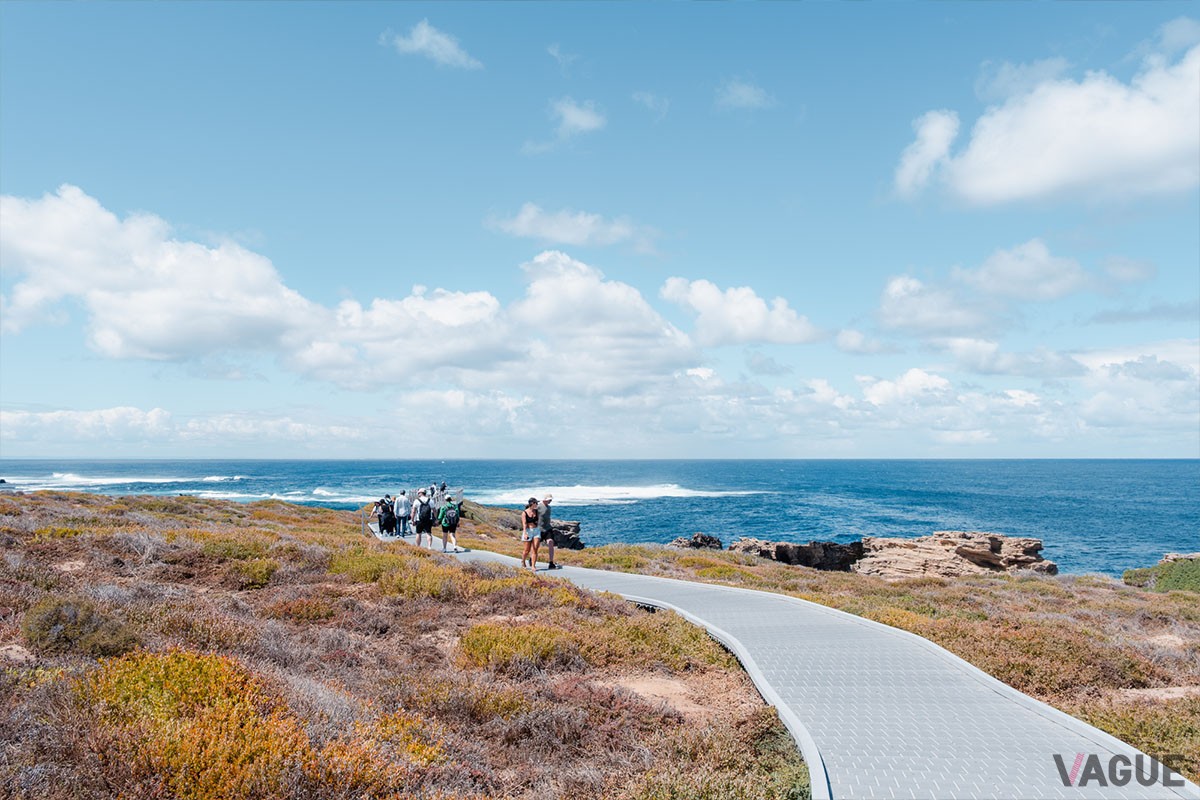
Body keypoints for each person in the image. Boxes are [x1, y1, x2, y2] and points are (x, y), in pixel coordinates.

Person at [539, 494, 560, 569]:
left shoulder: (549, 507)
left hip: (547, 528)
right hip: (539, 529)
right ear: (545, 499)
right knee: (536, 545)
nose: (550, 501)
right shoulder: (538, 506)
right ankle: (532, 558)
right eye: (549, 499)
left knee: (550, 542)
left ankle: (551, 562)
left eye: (550, 500)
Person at [520, 497, 540, 570]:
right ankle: (523, 561)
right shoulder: (524, 513)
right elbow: (524, 524)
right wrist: (525, 533)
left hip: (536, 531)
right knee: (526, 550)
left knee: (535, 549)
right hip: (528, 531)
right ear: (532, 504)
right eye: (536, 503)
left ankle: (533, 566)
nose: (537, 505)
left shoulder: (537, 512)